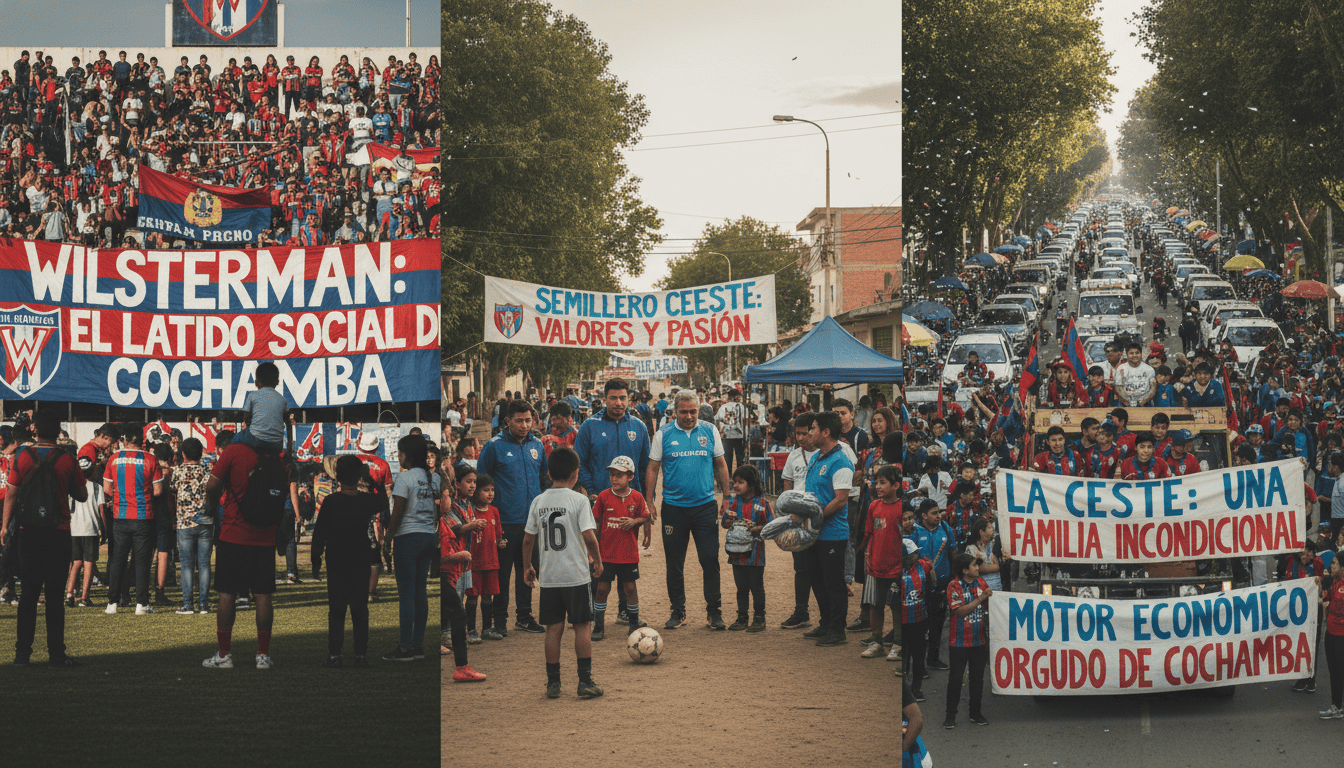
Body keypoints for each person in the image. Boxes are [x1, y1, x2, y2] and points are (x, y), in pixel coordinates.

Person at [202, 433, 297, 670]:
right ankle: (262, 655)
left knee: (227, 593)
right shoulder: (278, 456)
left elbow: (211, 485)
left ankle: (224, 654)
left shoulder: (234, 451)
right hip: (265, 535)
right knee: (263, 595)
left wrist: (210, 505)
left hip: (233, 533)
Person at [3, 411, 88, 667]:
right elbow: (82, 495)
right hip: (58, 530)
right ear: (58, 432)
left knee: (28, 593)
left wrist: (5, 526)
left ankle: (22, 654)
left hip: (28, 530)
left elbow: (11, 494)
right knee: (54, 594)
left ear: (35, 430)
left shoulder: (22, 456)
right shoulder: (66, 459)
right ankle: (56, 653)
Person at [522, 446, 604, 699]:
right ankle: (585, 681)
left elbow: (528, 539)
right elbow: (589, 536)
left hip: (549, 577)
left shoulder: (538, 501)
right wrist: (598, 561)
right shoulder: (579, 500)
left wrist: (527, 566)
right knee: (582, 626)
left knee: (553, 628)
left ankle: (553, 683)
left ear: (549, 473)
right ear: (575, 474)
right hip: (576, 576)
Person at [645, 390, 730, 631]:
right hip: (674, 509)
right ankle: (678, 610)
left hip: (705, 507)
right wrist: (649, 500)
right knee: (674, 563)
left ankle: (714, 611)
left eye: (693, 411)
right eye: (684, 412)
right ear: (675, 412)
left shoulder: (710, 431)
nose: (689, 416)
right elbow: (652, 468)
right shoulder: (663, 434)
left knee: (710, 559)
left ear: (699, 409)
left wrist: (727, 496)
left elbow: (721, 464)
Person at [479, 399, 548, 636]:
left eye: (528, 420)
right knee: (501, 573)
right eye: (519, 421)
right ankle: (499, 620)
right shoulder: (493, 446)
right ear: (508, 421)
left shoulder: (537, 445)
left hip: (532, 523)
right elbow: (482, 482)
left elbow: (543, 479)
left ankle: (524, 617)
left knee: (528, 569)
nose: (525, 425)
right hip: (504, 523)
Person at [311, 455, 382, 667]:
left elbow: (319, 533)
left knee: (337, 609)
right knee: (360, 609)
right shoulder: (366, 501)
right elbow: (383, 503)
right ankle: (360, 655)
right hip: (361, 558)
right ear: (359, 476)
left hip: (337, 560)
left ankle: (335, 655)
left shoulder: (331, 501)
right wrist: (373, 480)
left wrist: (316, 559)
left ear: (338, 477)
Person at [382, 435, 441, 661]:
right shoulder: (434, 478)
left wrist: (388, 537)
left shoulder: (405, 478)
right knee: (420, 592)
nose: (398, 457)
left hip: (408, 537)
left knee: (406, 594)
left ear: (406, 455)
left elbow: (397, 512)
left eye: (400, 453)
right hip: (428, 536)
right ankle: (417, 645)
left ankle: (405, 647)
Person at [801, 410, 857, 648]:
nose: (809, 433)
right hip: (814, 533)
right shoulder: (817, 457)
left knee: (834, 584)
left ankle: (837, 629)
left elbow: (841, 500)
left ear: (825, 432)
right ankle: (826, 622)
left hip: (832, 534)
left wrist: (816, 517)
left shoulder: (841, 461)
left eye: (813, 428)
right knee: (817, 580)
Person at [102, 426, 163, 615]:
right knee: (142, 561)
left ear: (125, 439)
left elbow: (106, 489)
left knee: (118, 559)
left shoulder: (114, 458)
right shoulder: (150, 459)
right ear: (142, 440)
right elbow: (158, 491)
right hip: (143, 515)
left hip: (120, 516)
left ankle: (112, 603)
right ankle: (141, 604)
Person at [591, 455, 650, 640]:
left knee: (630, 588)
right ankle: (598, 626)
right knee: (602, 589)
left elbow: (646, 516)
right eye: (612, 475)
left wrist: (634, 521)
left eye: (619, 475)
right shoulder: (603, 496)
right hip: (606, 554)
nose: (614, 479)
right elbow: (596, 523)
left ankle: (633, 623)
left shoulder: (637, 497)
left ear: (630, 476)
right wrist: (593, 551)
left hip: (628, 554)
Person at [440, 474, 486, 681]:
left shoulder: (441, 519)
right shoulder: (437, 520)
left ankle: (462, 666)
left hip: (451, 574)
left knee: (457, 612)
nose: (449, 501)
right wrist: (460, 556)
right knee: (457, 614)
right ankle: (461, 667)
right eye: (446, 496)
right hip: (445, 575)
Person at [856, 465, 904, 660]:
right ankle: (876, 642)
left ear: (896, 485)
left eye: (883, 483)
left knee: (896, 607)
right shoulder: (874, 506)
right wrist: (867, 556)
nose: (878, 486)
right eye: (877, 482)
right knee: (875, 605)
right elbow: (870, 534)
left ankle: (898, 644)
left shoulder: (902, 508)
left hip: (896, 568)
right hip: (875, 566)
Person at [721, 463, 773, 632]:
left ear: (751, 485)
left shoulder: (763, 503)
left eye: (740, 482)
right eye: (734, 482)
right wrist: (728, 519)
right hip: (736, 554)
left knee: (756, 587)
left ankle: (759, 618)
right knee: (741, 588)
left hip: (755, 555)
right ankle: (742, 617)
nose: (735, 485)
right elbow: (724, 524)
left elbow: (773, 526)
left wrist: (758, 528)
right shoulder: (734, 503)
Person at [943, 552, 992, 729]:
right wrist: (982, 598)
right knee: (955, 679)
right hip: (959, 642)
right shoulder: (953, 586)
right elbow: (960, 611)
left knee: (978, 679)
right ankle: (950, 715)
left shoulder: (982, 583)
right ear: (965, 570)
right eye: (974, 565)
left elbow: (991, 605)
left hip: (979, 640)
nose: (978, 568)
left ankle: (975, 713)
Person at [170, 438, 212, 614]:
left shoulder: (177, 471)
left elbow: (172, 492)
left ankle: (188, 604)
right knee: (204, 565)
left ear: (183, 454)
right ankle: (203, 604)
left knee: (186, 566)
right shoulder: (207, 471)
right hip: (205, 522)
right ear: (201, 453)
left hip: (184, 522)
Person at [463, 473, 502, 642]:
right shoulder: (469, 511)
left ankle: (487, 629)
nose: (490, 493)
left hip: (491, 562)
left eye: (492, 490)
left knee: (488, 596)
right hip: (474, 563)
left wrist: (501, 542)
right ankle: (471, 630)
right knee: (472, 596)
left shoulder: (494, 511)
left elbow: (498, 535)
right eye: (486, 490)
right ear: (476, 492)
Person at [1318, 555, 1344, 719]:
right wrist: (1321, 586)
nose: (1331, 566)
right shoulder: (1335, 582)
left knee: (1339, 671)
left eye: (1334, 563)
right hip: (1331, 631)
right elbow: (1326, 597)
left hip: (1341, 634)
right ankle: (1336, 706)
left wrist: (1327, 600)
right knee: (1334, 671)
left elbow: (1335, 604)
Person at [716, 388, 749, 475]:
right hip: (739, 436)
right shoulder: (742, 407)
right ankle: (740, 476)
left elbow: (718, 420)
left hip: (726, 436)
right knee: (740, 458)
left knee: (727, 458)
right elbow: (746, 422)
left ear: (729, 397)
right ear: (737, 397)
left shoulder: (723, 407)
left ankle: (728, 476)